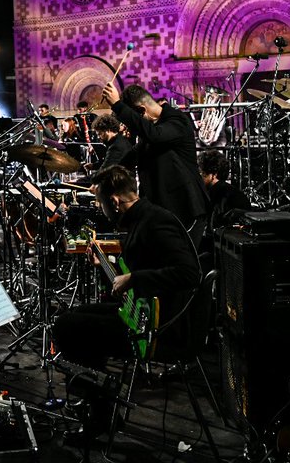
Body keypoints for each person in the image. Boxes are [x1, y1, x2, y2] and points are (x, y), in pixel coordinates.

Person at [51, 165, 200, 440]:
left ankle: (101, 410)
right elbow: (139, 274)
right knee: (73, 318)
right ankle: (102, 408)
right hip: (142, 312)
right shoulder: (141, 220)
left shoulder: (156, 221)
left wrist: (133, 278)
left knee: (67, 328)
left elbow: (190, 273)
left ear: (115, 201)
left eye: (101, 201)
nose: (101, 207)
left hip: (160, 326)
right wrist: (107, 266)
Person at [102, 82, 209, 243]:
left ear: (142, 111)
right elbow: (131, 158)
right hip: (164, 212)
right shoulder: (152, 130)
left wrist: (118, 106)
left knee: (181, 265)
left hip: (186, 212)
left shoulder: (177, 121)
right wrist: (103, 180)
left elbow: (154, 135)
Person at [196, 149, 251, 270]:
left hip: (222, 253)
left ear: (213, 174)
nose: (197, 177)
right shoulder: (225, 191)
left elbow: (213, 229)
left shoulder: (221, 194)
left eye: (200, 173)